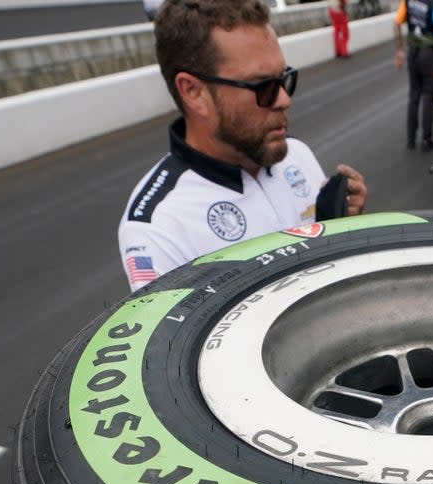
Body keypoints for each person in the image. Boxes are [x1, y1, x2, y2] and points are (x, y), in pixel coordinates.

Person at [117, 0, 368, 292]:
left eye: (284, 78)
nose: (284, 99)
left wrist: (340, 223)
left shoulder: (296, 154)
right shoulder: (158, 226)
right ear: (194, 92)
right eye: (262, 87)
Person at [394, 0, 433, 151]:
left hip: (413, 52)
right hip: (429, 53)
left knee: (414, 95)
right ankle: (426, 139)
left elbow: (396, 23)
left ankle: (410, 139)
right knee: (428, 96)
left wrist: (400, 51)